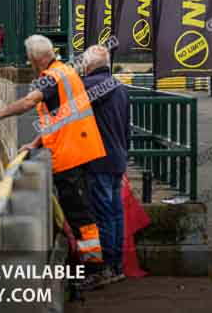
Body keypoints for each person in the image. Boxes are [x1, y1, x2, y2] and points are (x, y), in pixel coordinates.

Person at [0, 35, 107, 290]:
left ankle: (94, 270)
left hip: (70, 154)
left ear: (35, 58)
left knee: (81, 215)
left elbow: (29, 102)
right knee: (81, 212)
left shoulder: (50, 78)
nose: (29, 62)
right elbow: (61, 117)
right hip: (80, 149)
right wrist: (36, 143)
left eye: (29, 59)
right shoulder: (65, 73)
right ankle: (89, 265)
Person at [82, 45, 130, 285]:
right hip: (118, 158)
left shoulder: (89, 86)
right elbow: (125, 127)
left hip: (98, 159)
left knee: (102, 215)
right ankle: (117, 265)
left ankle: (105, 269)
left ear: (89, 66)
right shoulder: (120, 87)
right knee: (116, 213)